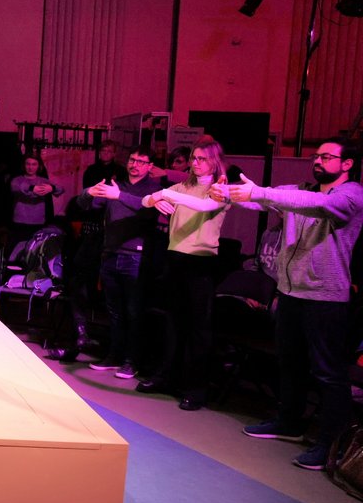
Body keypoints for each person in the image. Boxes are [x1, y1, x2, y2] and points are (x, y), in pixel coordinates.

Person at [216, 138, 363, 470]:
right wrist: (227, 194)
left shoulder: (351, 195)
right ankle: (289, 422)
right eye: (316, 156)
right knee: (290, 362)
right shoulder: (303, 190)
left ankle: (331, 444)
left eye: (327, 156)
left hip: (325, 297)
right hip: (291, 292)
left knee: (328, 373)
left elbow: (309, 204)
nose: (318, 161)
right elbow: (264, 201)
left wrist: (261, 193)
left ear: (348, 163)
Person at [138, 137, 230, 410]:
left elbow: (202, 207)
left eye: (201, 158)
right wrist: (155, 198)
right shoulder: (183, 186)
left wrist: (165, 194)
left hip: (200, 263)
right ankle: (166, 376)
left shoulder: (220, 190)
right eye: (193, 158)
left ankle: (195, 388)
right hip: (175, 258)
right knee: (172, 322)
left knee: (197, 328)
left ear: (214, 161)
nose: (195, 163)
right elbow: (145, 200)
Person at [74, 146, 164, 377]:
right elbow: (85, 206)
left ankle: (132, 361)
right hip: (110, 253)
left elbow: (149, 210)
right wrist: (89, 192)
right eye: (132, 160)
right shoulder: (117, 184)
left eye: (141, 161)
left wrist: (119, 196)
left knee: (134, 311)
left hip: (135, 256)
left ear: (150, 166)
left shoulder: (154, 189)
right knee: (114, 312)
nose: (135, 165)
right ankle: (114, 355)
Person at [8, 153, 63, 249]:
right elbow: (15, 187)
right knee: (18, 249)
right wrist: (32, 188)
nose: (30, 167)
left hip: (38, 222)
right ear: (24, 165)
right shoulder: (18, 180)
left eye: (34, 164)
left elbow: (60, 189)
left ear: (39, 166)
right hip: (20, 222)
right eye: (28, 164)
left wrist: (52, 188)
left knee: (34, 250)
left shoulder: (43, 181)